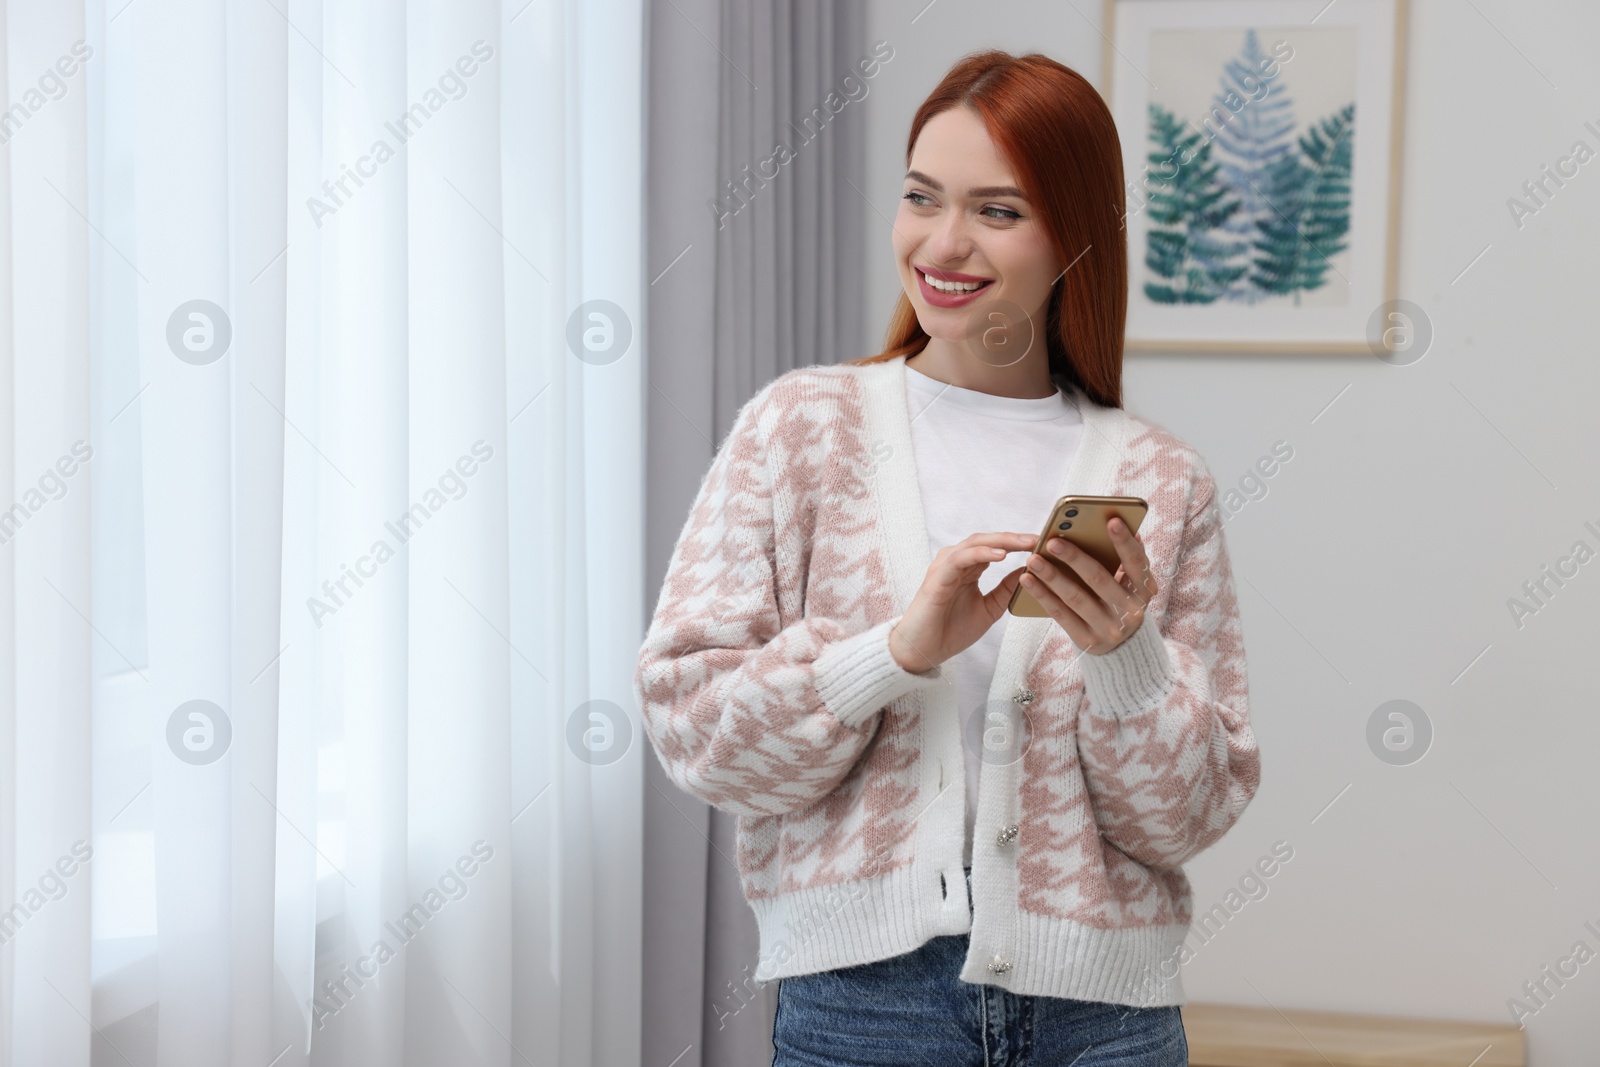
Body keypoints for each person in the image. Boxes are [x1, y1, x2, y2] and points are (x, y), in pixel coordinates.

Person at [634, 49, 1259, 1067]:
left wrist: (1126, 658)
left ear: (1074, 236)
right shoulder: (800, 429)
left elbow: (1183, 819)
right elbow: (698, 735)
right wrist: (895, 649)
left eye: (998, 211)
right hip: (862, 1009)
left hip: (1103, 1020)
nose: (943, 243)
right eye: (921, 197)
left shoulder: (1160, 475)